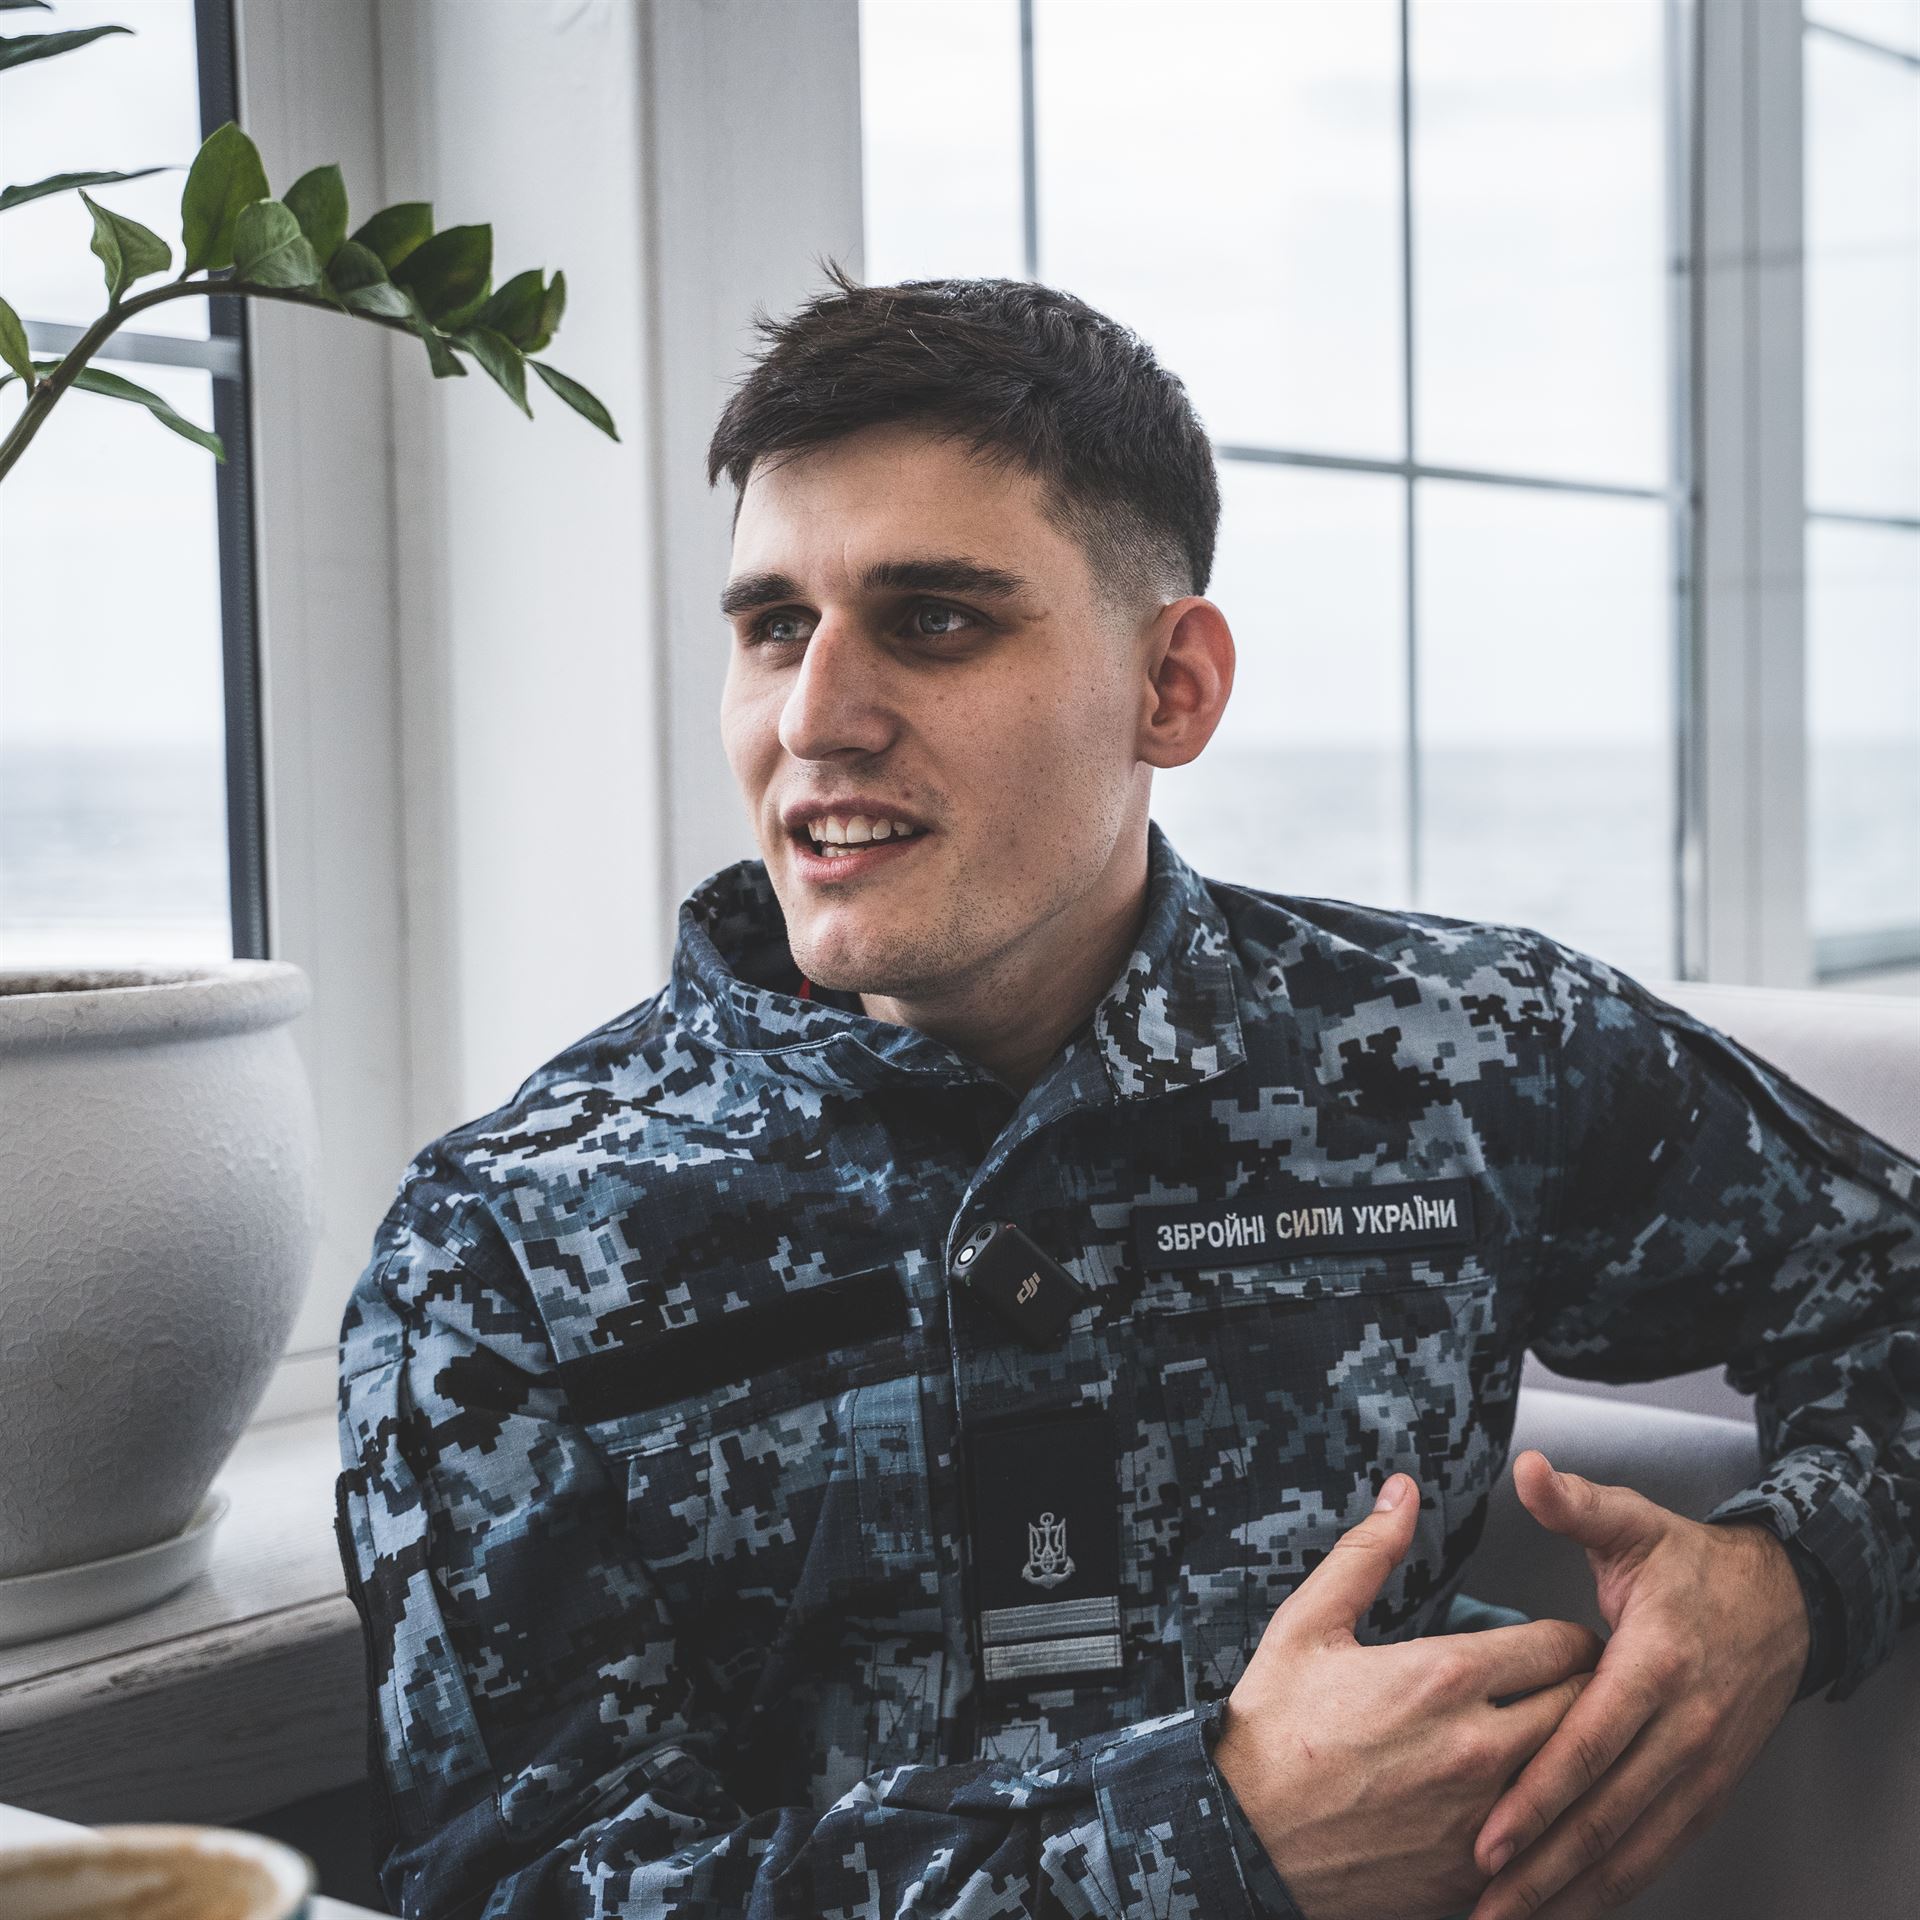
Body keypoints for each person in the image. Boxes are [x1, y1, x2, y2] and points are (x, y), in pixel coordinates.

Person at [334, 272, 1920, 1920]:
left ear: (1173, 688)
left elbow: (1894, 1276)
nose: (814, 718)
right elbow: (524, 1890)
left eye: (934, 620)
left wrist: (1786, 1581)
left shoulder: (1465, 1055)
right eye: (774, 627)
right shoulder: (502, 1244)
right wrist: (1208, 1847)